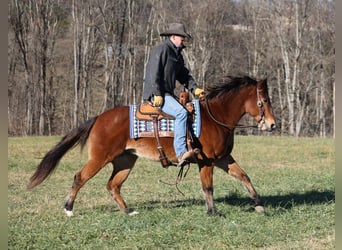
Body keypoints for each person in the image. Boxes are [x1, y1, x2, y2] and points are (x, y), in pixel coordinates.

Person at [142, 23, 205, 165]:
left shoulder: (177, 55)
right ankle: (181, 153)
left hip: (166, 94)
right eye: (182, 38)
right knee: (181, 113)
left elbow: (184, 76)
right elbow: (154, 73)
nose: (184, 41)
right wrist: (157, 93)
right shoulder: (161, 50)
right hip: (157, 94)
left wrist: (195, 89)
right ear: (174, 36)